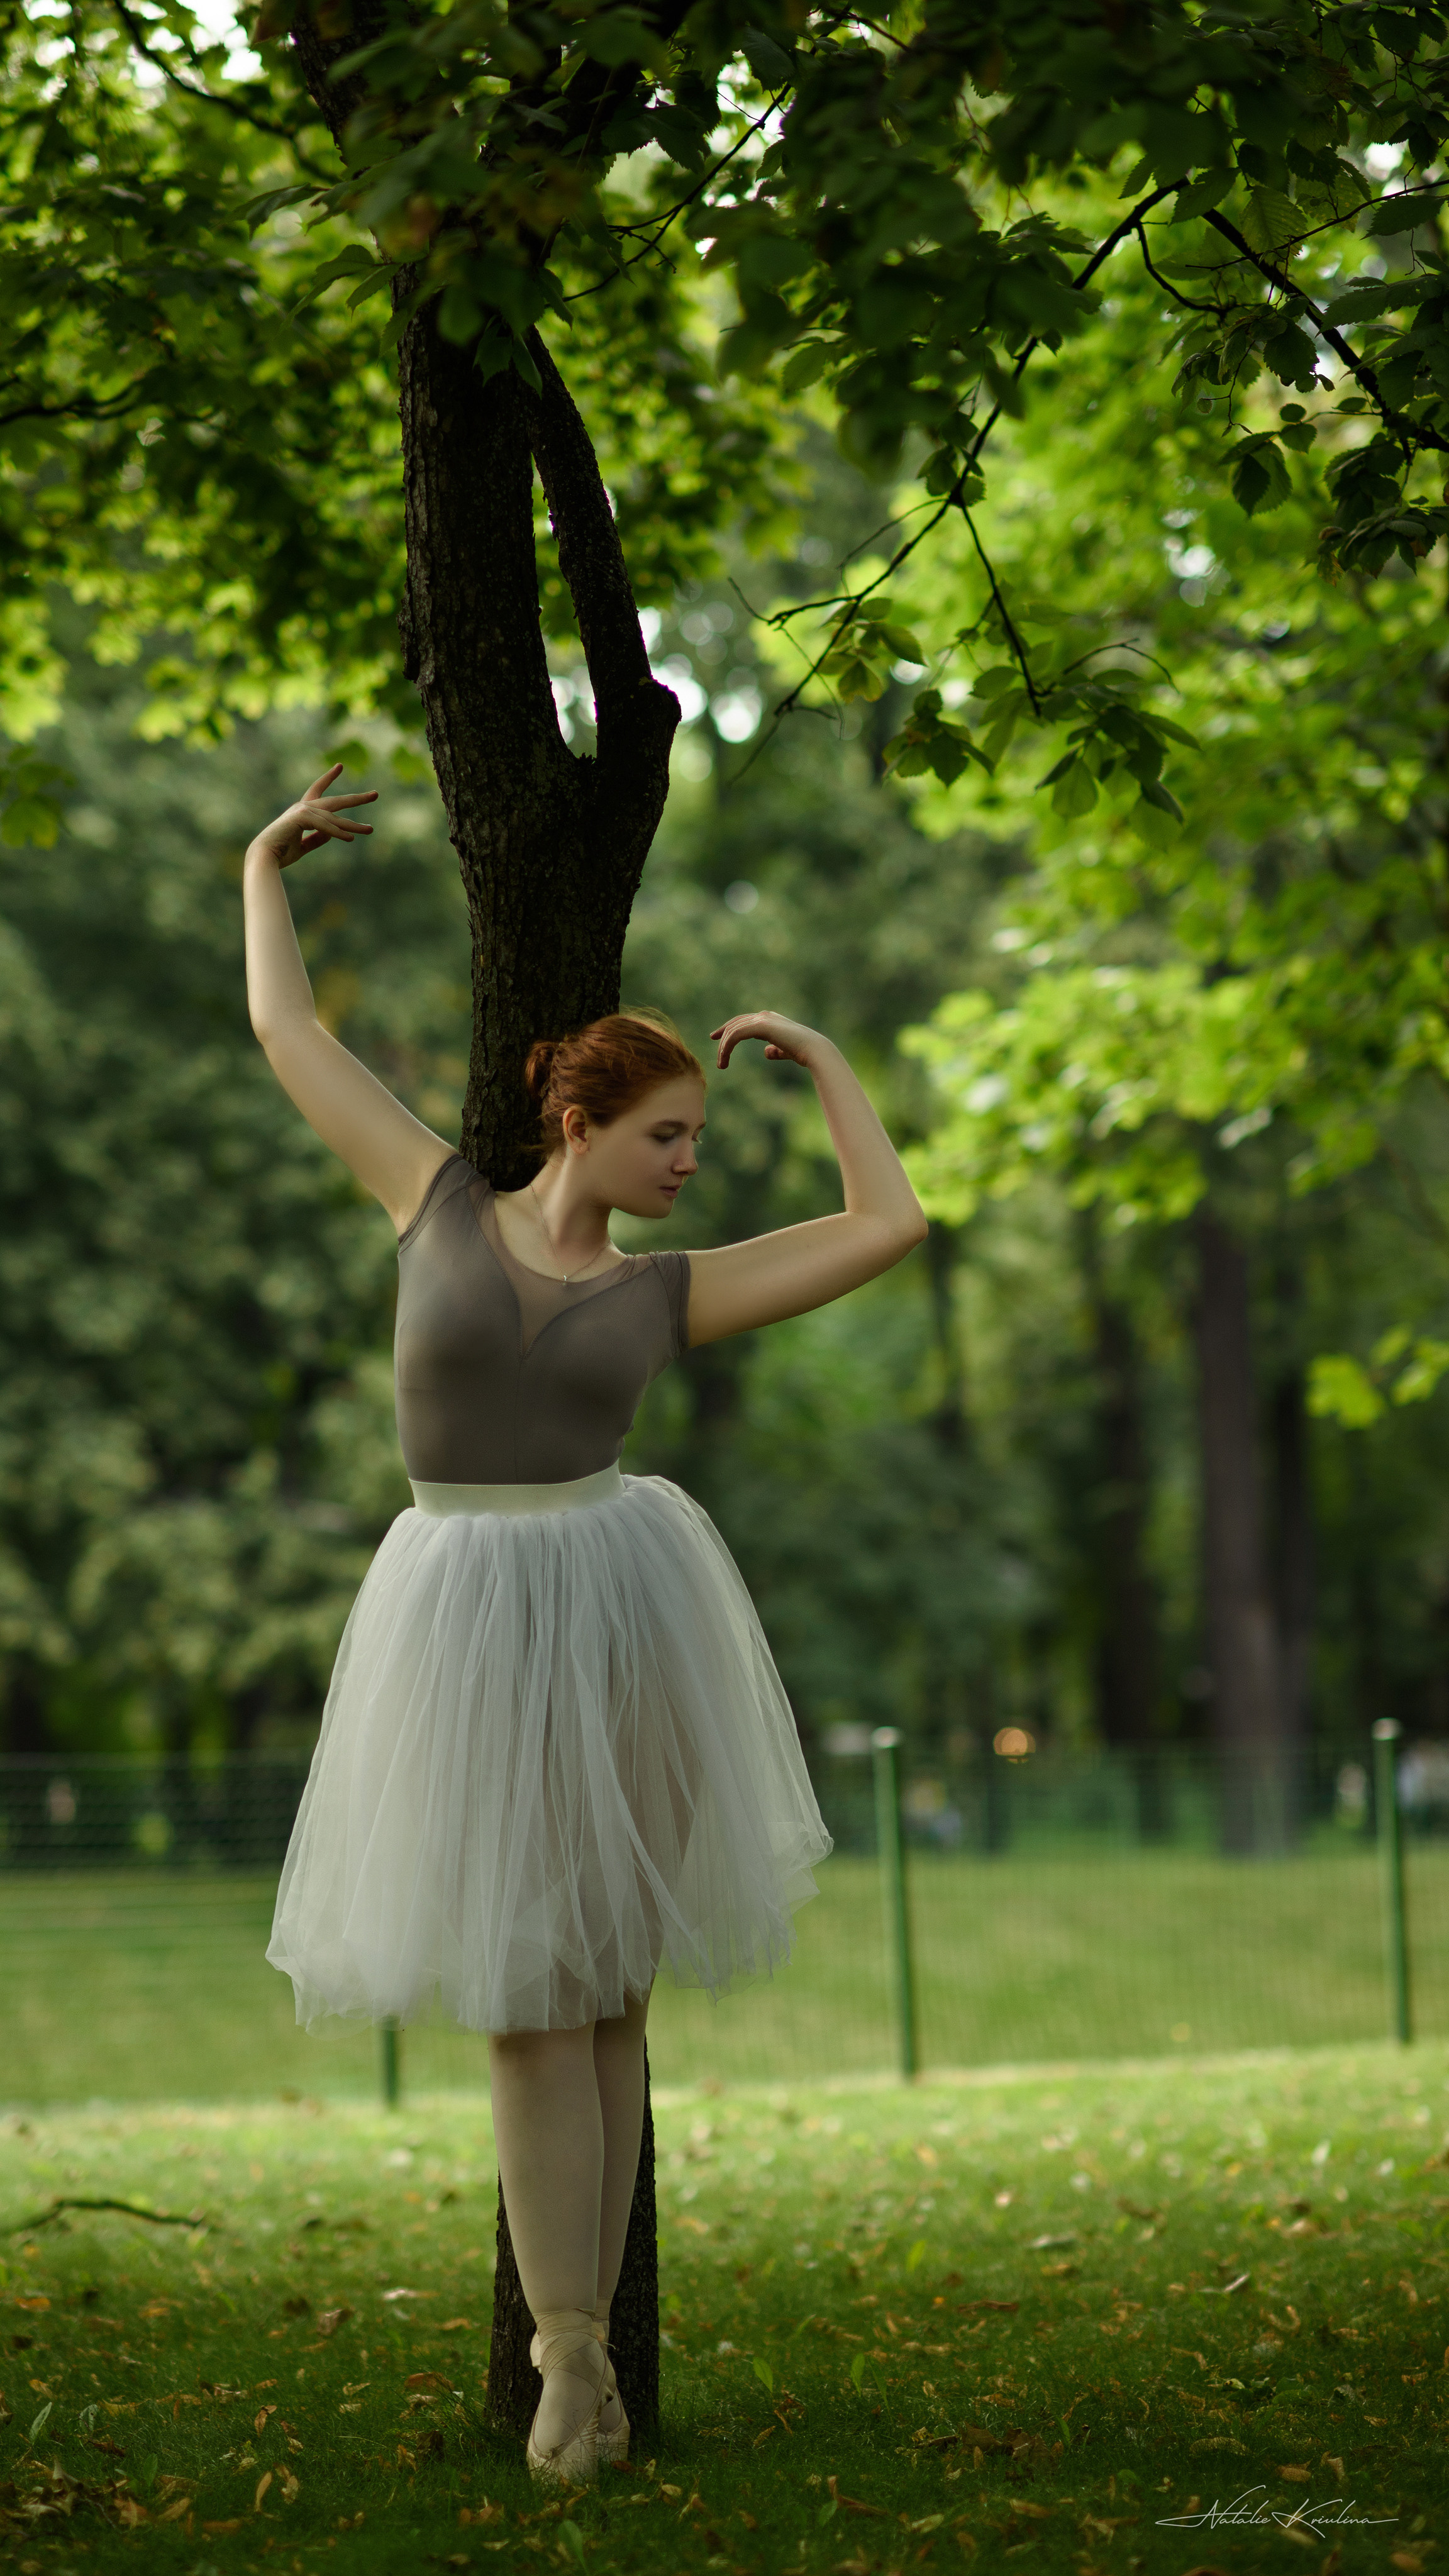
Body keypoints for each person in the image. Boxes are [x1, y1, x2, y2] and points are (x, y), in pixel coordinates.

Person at [243, 766, 928, 2487]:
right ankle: (566, 2363)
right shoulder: (436, 1206)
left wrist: (829, 1064)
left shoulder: (665, 1291)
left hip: (616, 1608)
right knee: (526, 2004)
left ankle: (588, 2367)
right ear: (581, 1124)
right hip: (460, 1608)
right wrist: (263, 865)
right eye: (667, 1136)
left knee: (605, 1997)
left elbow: (891, 1225)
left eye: (696, 1141)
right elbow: (290, 1032)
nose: (689, 1166)